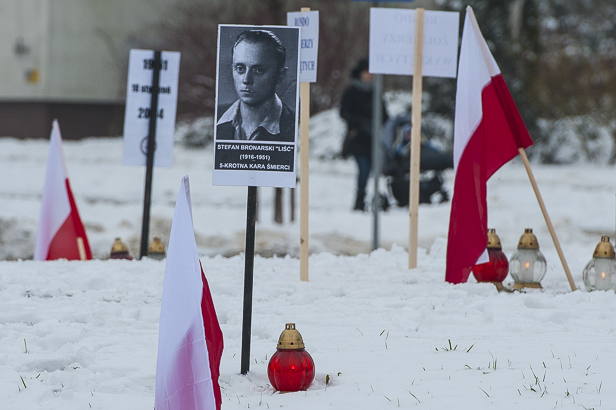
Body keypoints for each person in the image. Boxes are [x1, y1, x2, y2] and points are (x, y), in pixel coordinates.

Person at [216, 29, 295, 142]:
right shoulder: (215, 118)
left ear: (280, 75)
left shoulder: (296, 123)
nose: (246, 80)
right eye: (240, 69)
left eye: (258, 70)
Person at [339, 58, 388, 211]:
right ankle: (359, 200)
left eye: (371, 73)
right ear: (360, 73)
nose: (369, 75)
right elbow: (344, 112)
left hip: (374, 138)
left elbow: (385, 115)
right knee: (364, 169)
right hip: (357, 138)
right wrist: (360, 122)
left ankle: (375, 199)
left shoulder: (376, 91)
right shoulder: (352, 91)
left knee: (375, 169)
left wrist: (378, 123)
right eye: (367, 72)